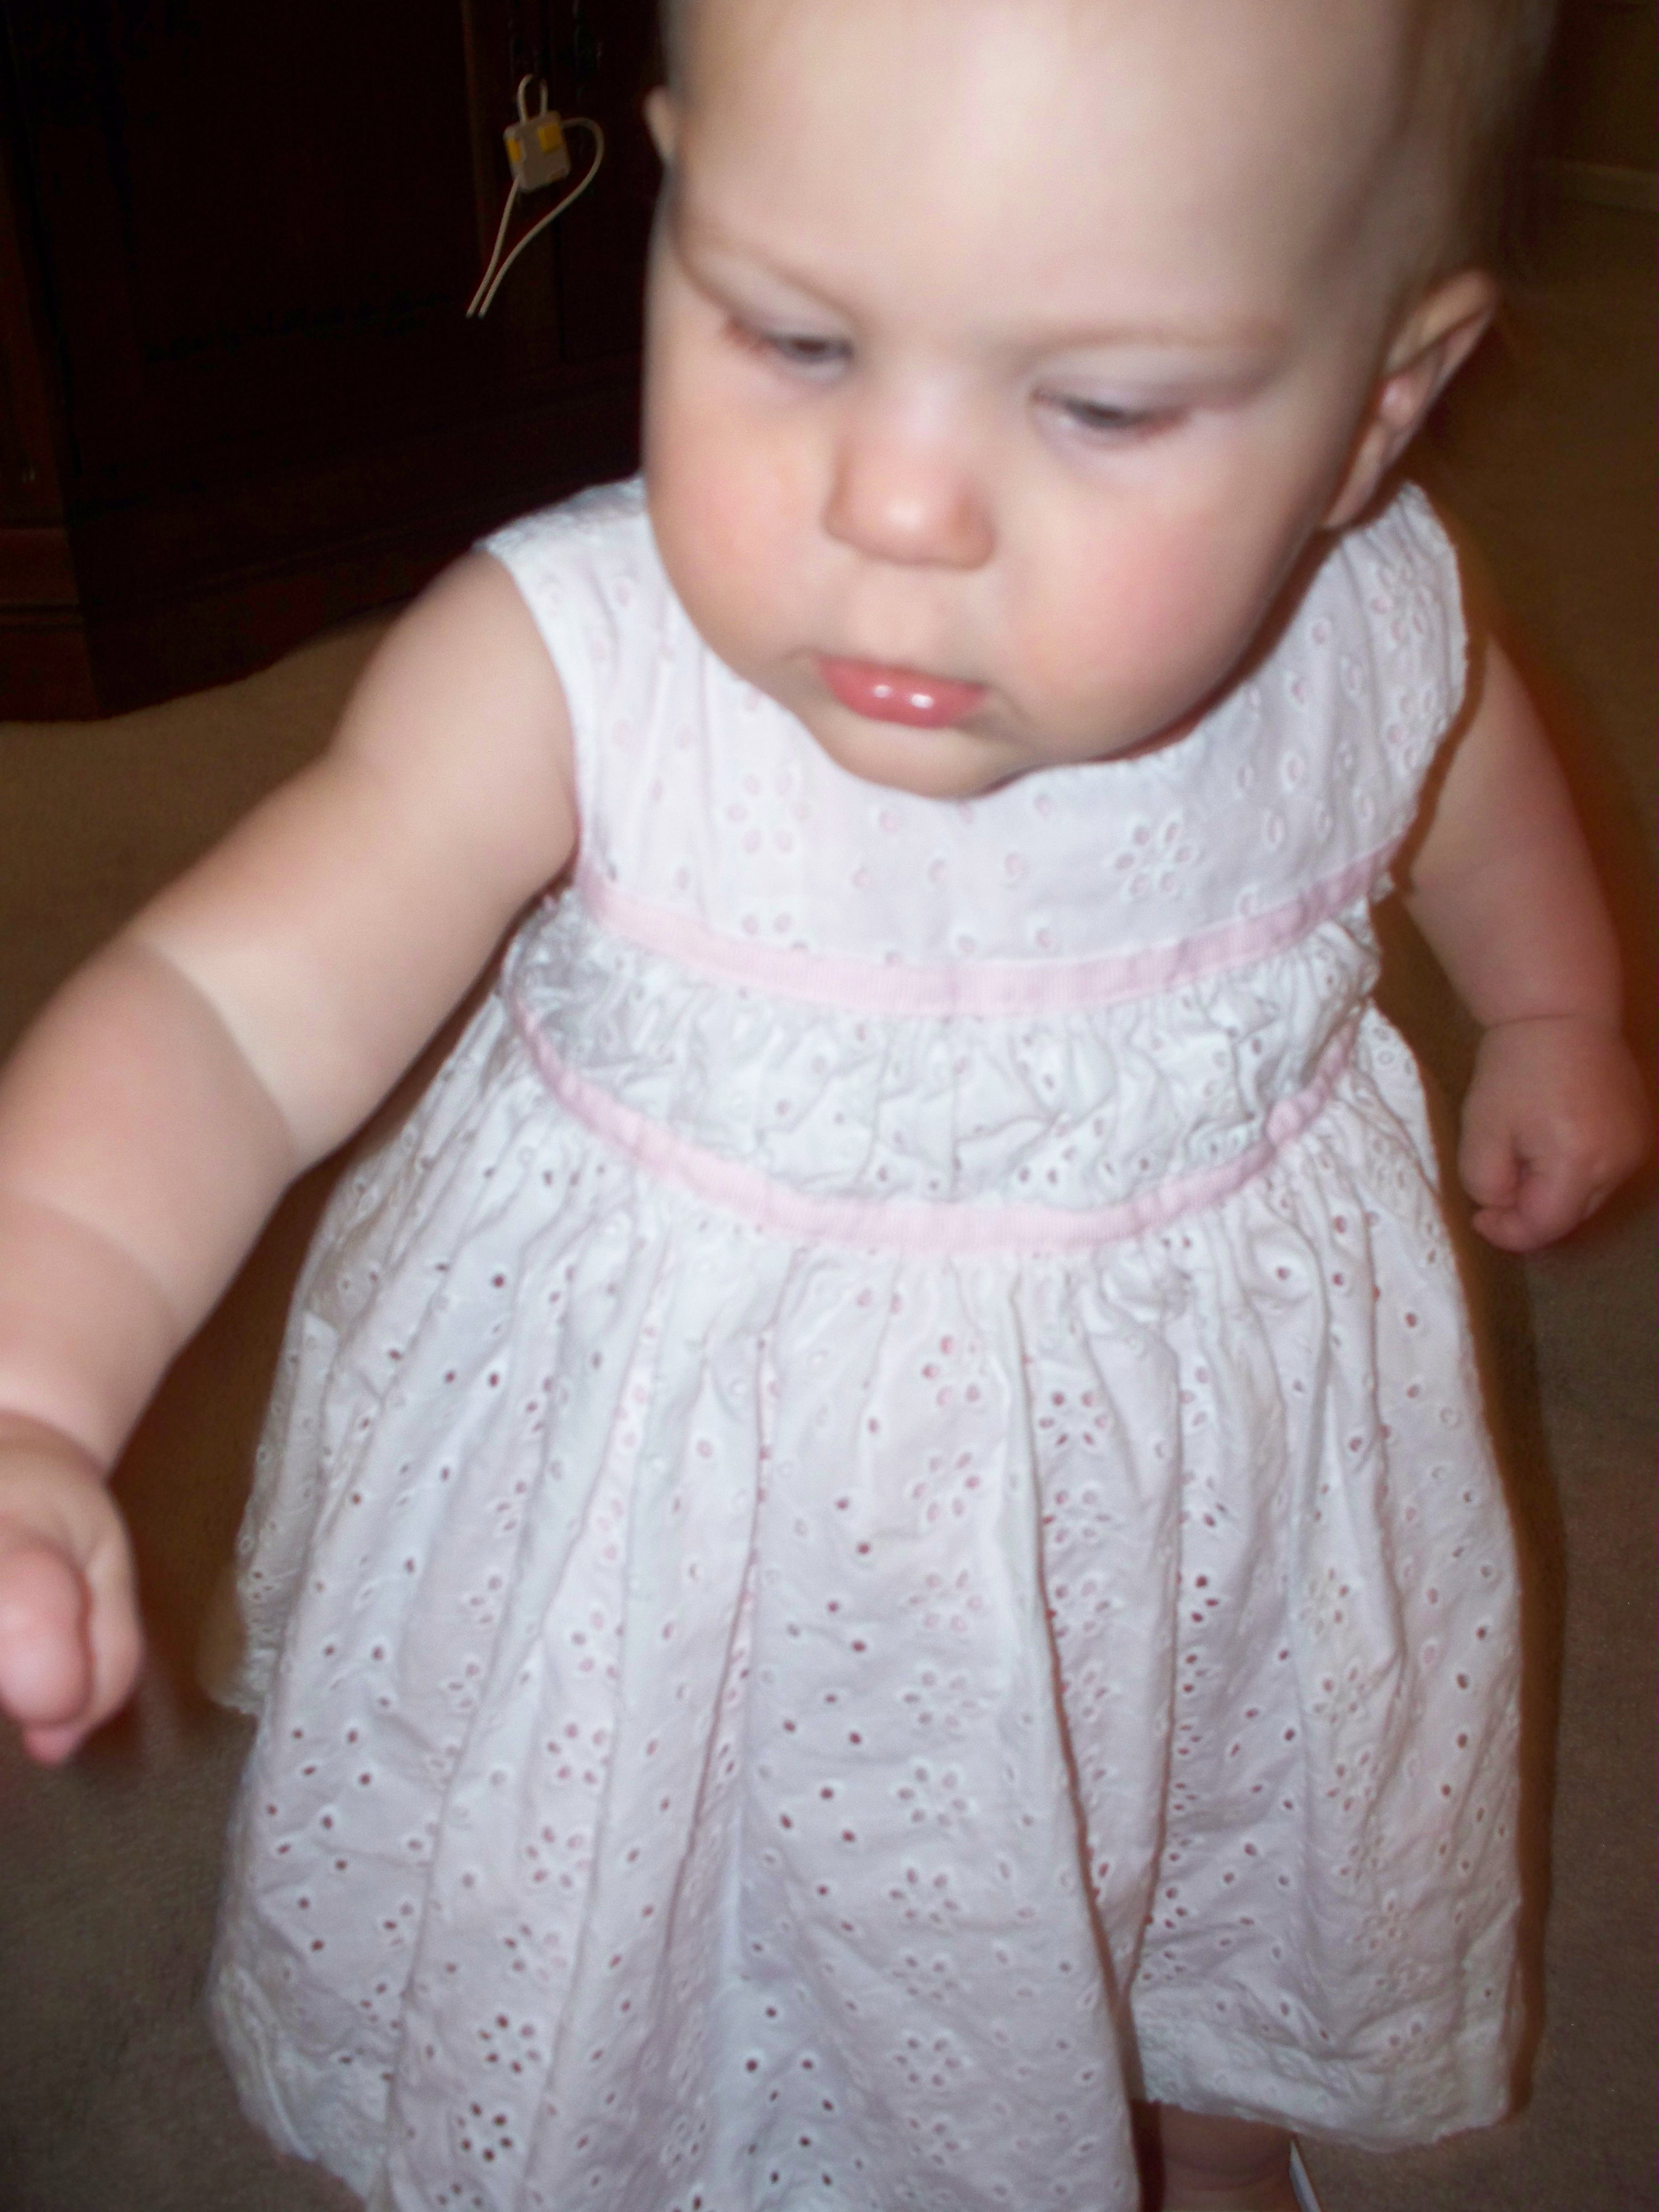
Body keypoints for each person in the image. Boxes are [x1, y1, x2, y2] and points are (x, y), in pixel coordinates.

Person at [0, 0, 1647, 2205]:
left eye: (1100, 402)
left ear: (1383, 409)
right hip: (702, 1524)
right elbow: (223, 1013)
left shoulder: (1385, 609)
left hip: (1201, 1502)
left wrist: (1553, 1009)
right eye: (790, 335)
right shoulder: (578, 664)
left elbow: (1470, 788)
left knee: (1203, 1850)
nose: (892, 503)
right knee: (668, 1952)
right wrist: (34, 1372)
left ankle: (1193, 2121)